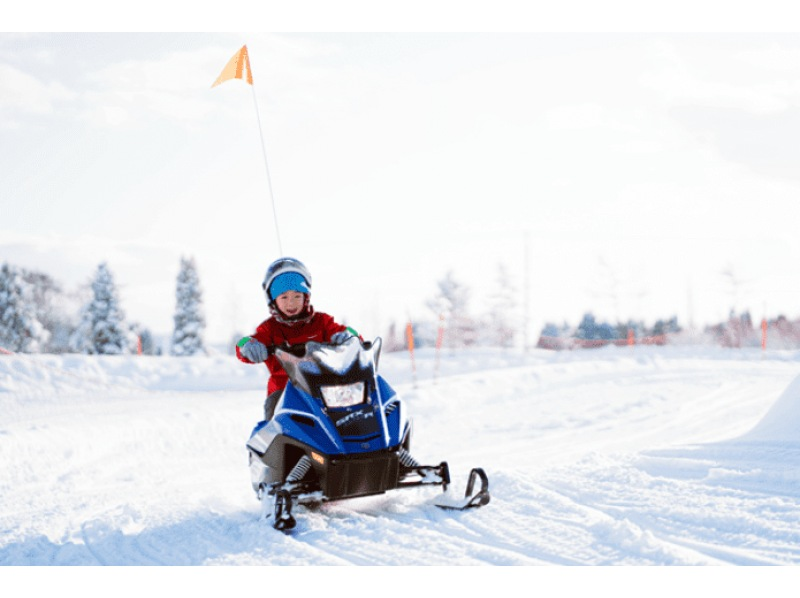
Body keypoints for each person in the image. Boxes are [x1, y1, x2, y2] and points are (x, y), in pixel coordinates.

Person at [236, 257, 356, 421]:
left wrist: (348, 337)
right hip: (284, 392)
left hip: (327, 389)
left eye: (297, 296)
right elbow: (244, 344)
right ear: (273, 300)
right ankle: (274, 443)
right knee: (276, 413)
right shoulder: (269, 329)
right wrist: (247, 347)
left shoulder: (322, 322)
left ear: (306, 296)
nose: (291, 303)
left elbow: (351, 334)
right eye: (284, 297)